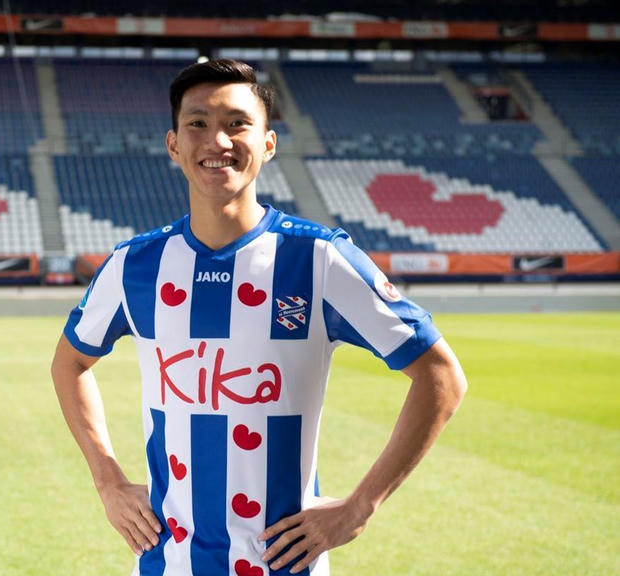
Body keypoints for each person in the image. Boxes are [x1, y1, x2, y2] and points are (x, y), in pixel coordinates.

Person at [51, 59, 467, 575]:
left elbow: (440, 375)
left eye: (237, 123)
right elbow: (69, 362)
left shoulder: (318, 259)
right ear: (173, 144)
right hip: (168, 563)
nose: (217, 140)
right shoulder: (134, 266)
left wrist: (360, 507)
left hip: (284, 564)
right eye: (197, 123)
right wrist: (108, 480)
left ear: (268, 144)